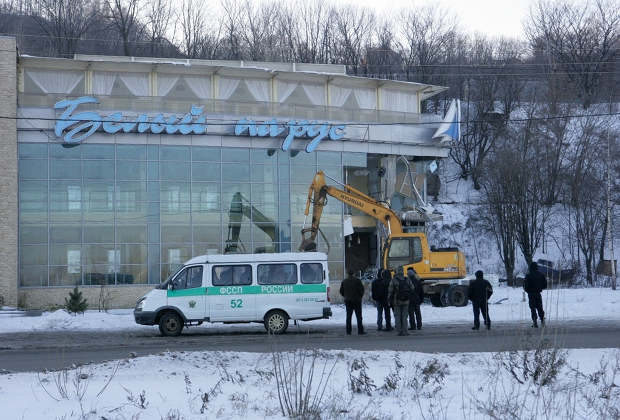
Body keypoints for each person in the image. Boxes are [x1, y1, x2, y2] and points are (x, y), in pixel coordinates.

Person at [387, 265, 415, 336]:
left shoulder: (394, 280)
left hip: (396, 301)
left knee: (397, 316)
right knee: (405, 316)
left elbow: (390, 291)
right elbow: (412, 288)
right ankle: (405, 331)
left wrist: (389, 300)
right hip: (406, 301)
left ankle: (399, 331)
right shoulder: (407, 279)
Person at [340, 268, 367, 335]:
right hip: (357, 300)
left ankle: (348, 331)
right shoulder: (357, 280)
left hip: (348, 300)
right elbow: (361, 290)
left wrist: (346, 296)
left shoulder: (344, 281)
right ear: (354, 274)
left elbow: (341, 291)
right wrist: (360, 296)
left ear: (348, 274)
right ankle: (360, 330)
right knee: (359, 316)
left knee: (349, 316)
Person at [523, 261, 548, 327]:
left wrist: (527, 290)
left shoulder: (528, 275)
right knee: (540, 307)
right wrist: (540, 288)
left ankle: (535, 322)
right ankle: (543, 321)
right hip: (538, 293)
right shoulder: (541, 275)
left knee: (533, 308)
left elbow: (526, 286)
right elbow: (545, 284)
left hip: (531, 294)